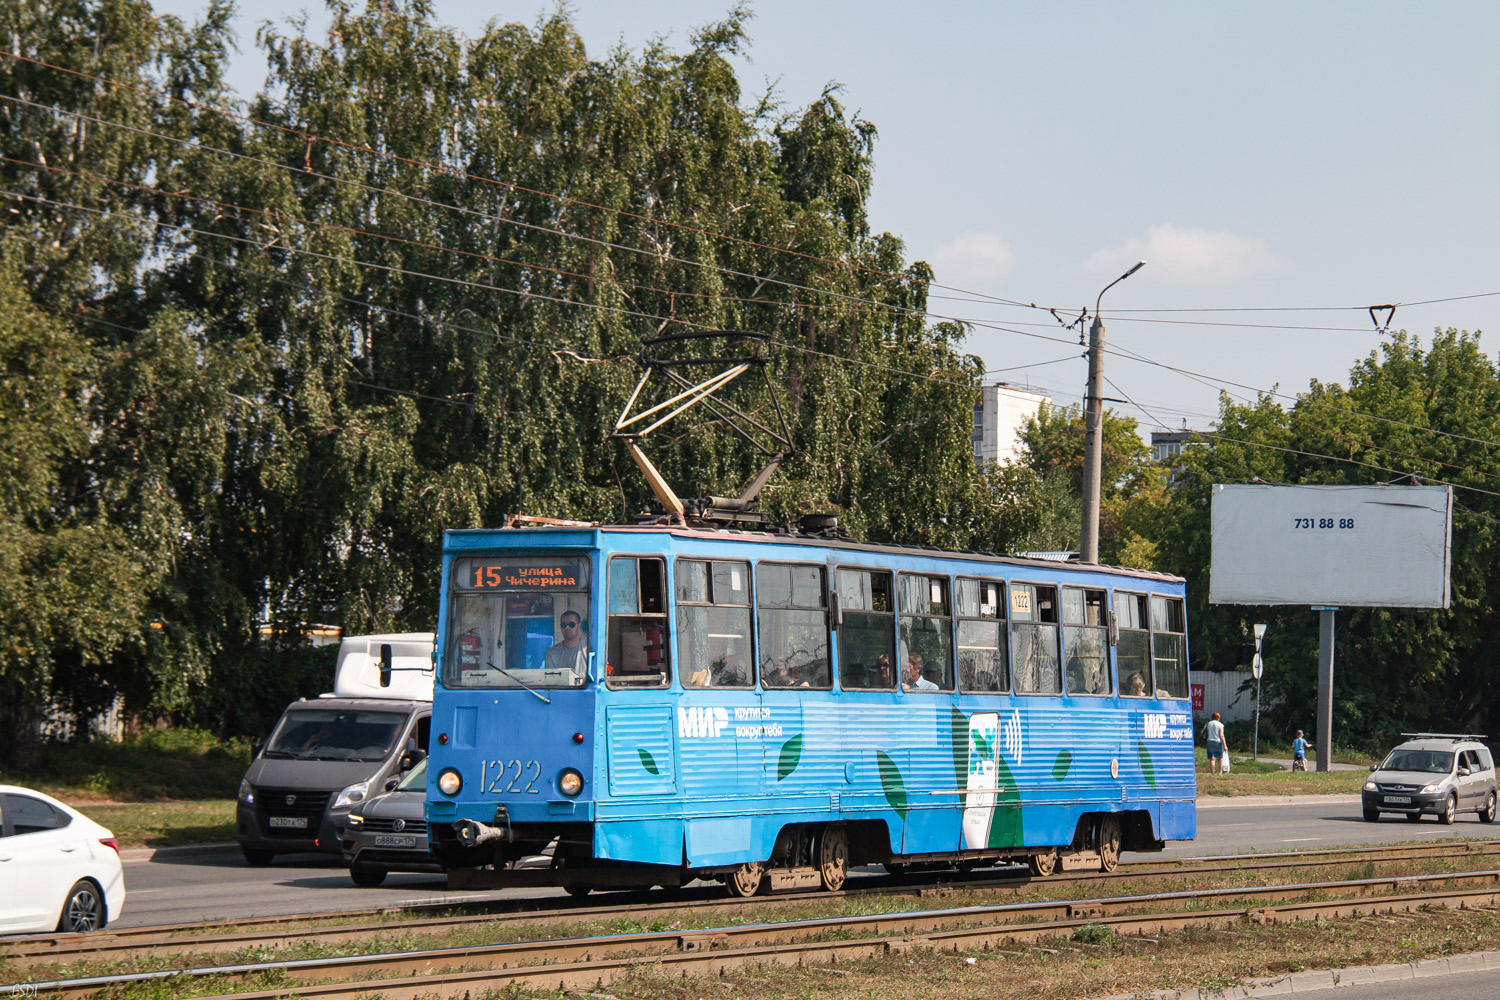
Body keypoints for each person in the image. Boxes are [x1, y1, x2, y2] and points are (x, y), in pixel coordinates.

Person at [544, 611, 589, 683]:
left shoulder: (588, 649)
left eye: (572, 624)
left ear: (579, 626)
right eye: (564, 625)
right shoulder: (552, 653)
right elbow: (550, 682)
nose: (567, 628)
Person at [1203, 711, 1228, 777]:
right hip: (1218, 742)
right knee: (1220, 757)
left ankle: (1212, 772)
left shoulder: (1208, 724)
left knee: (1212, 758)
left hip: (1210, 742)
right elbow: (1221, 735)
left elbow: (1202, 731)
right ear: (1218, 718)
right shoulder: (1220, 725)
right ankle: (1220, 772)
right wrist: (1225, 745)